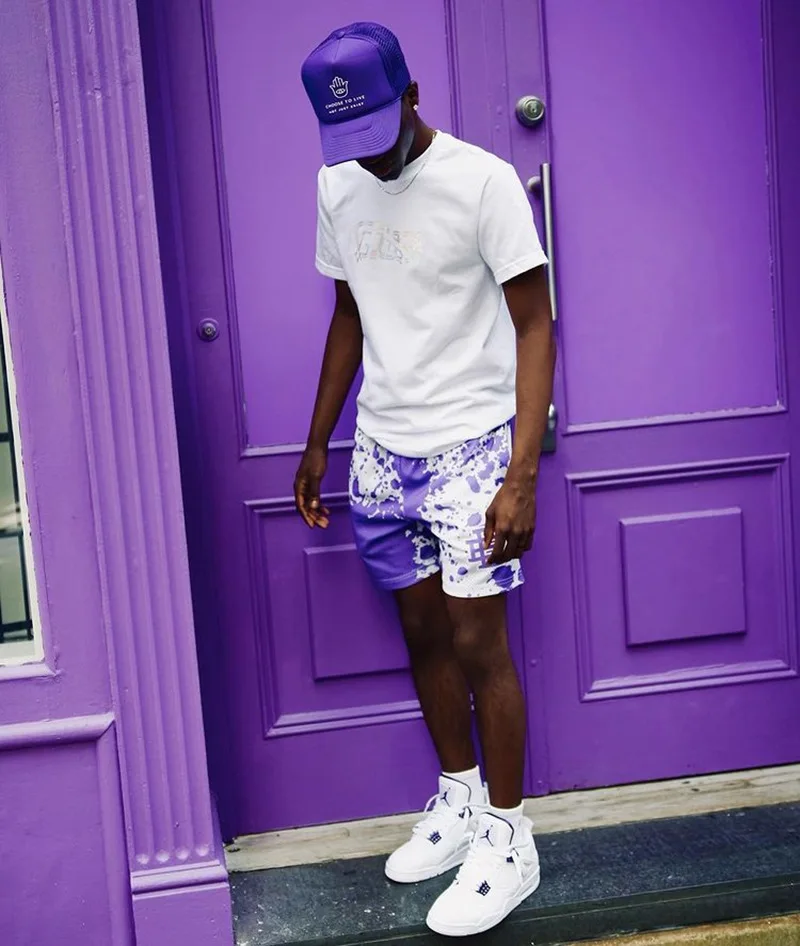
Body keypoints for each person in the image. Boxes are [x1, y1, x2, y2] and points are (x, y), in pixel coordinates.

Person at [296, 21, 555, 937]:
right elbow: (349, 313)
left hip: (471, 449)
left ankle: (510, 840)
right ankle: (459, 797)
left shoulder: (482, 182)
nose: (364, 158)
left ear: (411, 96)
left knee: (481, 643)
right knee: (422, 633)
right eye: (346, 141)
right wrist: (319, 440)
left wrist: (520, 474)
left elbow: (535, 324)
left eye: (375, 130)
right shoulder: (337, 184)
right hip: (380, 447)